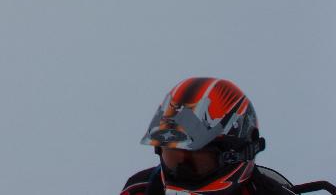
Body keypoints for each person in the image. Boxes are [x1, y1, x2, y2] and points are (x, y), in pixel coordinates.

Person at [121, 77, 297, 195]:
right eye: (173, 157)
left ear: (236, 156)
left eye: (197, 161)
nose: (183, 172)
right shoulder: (140, 190)